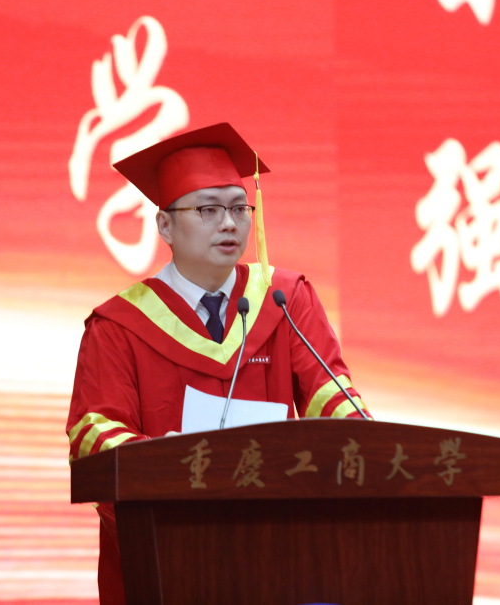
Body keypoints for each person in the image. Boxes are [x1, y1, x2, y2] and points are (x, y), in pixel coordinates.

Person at [64, 122, 371, 605]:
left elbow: (330, 395)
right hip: (168, 554)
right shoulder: (119, 325)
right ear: (165, 225)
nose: (229, 223)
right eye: (208, 209)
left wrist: (372, 446)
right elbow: (93, 433)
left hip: (281, 550)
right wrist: (166, 464)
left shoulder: (285, 299)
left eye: (238, 208)